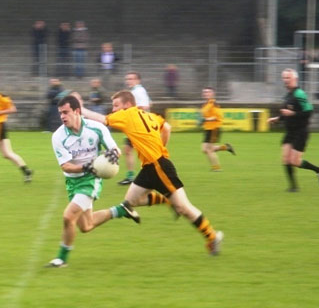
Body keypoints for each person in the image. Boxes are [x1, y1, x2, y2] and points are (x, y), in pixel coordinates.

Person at [81, 90, 224, 256]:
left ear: (127, 105)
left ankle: (213, 237)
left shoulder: (128, 114)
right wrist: (161, 148)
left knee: (183, 207)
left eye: (116, 105)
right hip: (150, 166)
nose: (113, 109)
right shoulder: (148, 115)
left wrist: (80, 109)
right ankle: (166, 200)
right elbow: (167, 128)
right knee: (130, 202)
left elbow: (102, 119)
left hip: (158, 166)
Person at [47, 95, 140, 268]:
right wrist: (85, 167)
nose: (62, 116)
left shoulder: (96, 128)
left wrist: (113, 155)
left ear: (77, 111)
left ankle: (61, 259)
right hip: (73, 181)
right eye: (60, 113)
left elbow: (114, 149)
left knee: (68, 216)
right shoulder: (58, 136)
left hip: (91, 179)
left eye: (66, 112)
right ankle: (120, 210)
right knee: (86, 225)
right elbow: (66, 166)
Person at [267, 68, 319, 192]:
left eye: (288, 78)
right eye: (284, 78)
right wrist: (277, 119)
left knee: (295, 161)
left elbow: (309, 112)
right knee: (285, 159)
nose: (285, 80)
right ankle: (293, 187)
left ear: (295, 79)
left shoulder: (299, 93)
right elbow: (286, 113)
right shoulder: (288, 95)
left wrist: (292, 114)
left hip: (301, 131)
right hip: (290, 132)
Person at [117, 71, 151, 185]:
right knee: (128, 149)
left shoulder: (138, 91)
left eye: (131, 79)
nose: (128, 81)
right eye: (127, 79)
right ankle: (131, 176)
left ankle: (151, 174)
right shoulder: (136, 91)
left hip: (138, 126)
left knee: (143, 152)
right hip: (134, 125)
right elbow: (149, 103)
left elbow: (145, 106)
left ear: (138, 80)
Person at [200, 87, 235, 171]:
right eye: (204, 92)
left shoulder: (214, 104)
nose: (206, 94)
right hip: (207, 128)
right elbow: (206, 116)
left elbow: (218, 116)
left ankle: (216, 168)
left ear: (212, 94)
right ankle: (226, 147)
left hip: (214, 128)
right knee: (204, 149)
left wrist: (206, 119)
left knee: (209, 150)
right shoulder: (205, 105)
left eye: (208, 92)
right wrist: (203, 120)